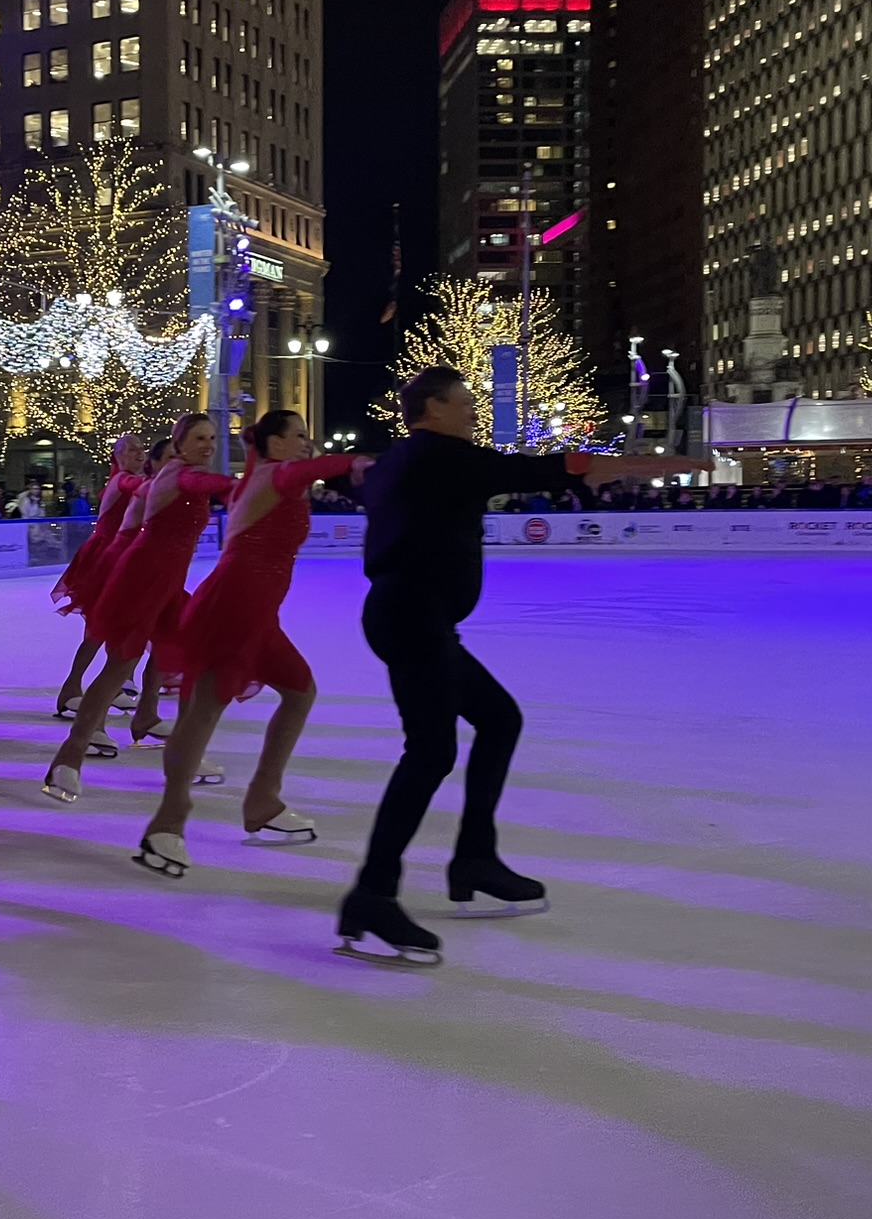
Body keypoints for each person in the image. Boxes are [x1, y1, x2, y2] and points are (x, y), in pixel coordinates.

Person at [338, 367, 705, 965]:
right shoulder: (441, 457)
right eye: (463, 403)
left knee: (498, 719)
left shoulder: (405, 460)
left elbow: (375, 482)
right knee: (430, 752)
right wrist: (648, 465)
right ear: (430, 407)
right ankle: (373, 895)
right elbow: (542, 469)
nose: (473, 412)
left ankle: (474, 859)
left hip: (414, 617)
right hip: (412, 618)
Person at [133, 411, 371, 879]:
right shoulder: (277, 475)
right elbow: (310, 470)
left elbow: (297, 468)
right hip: (235, 604)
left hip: (257, 609)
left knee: (299, 691)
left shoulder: (270, 473)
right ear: (277, 444)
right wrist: (356, 461)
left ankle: (263, 799)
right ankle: (166, 824)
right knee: (204, 709)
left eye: (308, 434)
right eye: (298, 435)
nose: (307, 442)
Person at [43, 414, 232, 807]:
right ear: (179, 443)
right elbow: (210, 484)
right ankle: (70, 755)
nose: (209, 445)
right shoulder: (181, 475)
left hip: (163, 580)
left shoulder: (181, 474)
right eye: (199, 438)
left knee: (180, 655)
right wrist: (247, 485)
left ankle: (153, 724)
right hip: (144, 577)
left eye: (213, 438)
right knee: (119, 666)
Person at [49, 435, 148, 717]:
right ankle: (73, 688)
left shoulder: (135, 479)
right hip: (105, 558)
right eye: (131, 449)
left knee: (116, 626)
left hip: (125, 558)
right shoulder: (122, 480)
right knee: (100, 628)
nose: (139, 452)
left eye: (141, 447)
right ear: (118, 457)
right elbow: (140, 489)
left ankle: (112, 685)